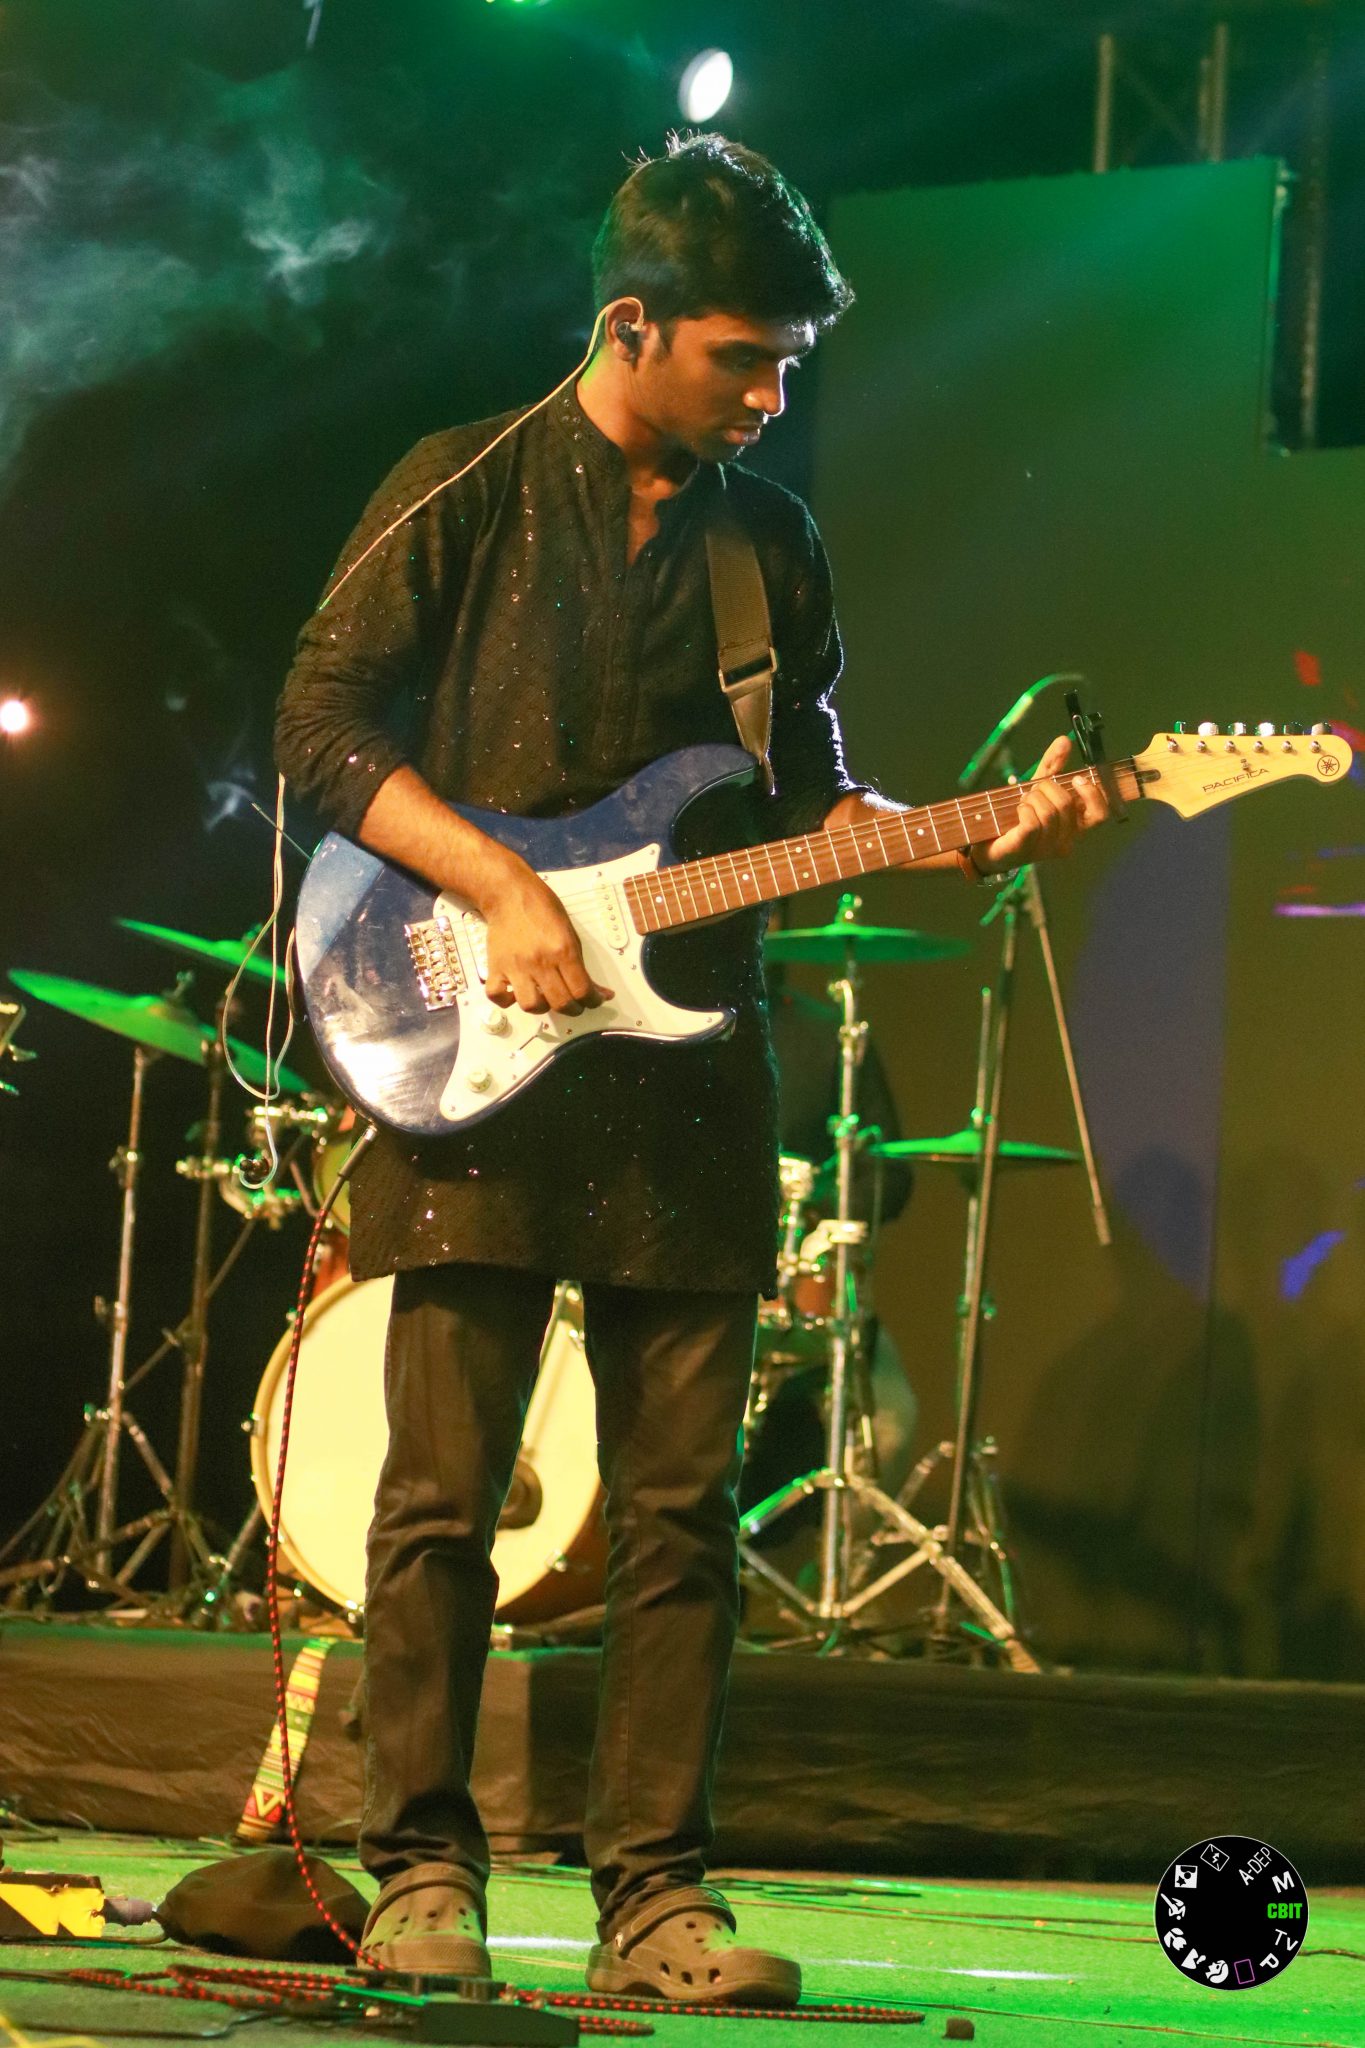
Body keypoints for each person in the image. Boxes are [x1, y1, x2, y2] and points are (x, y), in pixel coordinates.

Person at [274, 132, 1106, 2008]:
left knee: (679, 1520)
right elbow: (318, 730)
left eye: (790, 362)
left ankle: (654, 1901)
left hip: (689, 1075)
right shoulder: (463, 483)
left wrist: (955, 829)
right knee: (441, 1502)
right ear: (630, 323)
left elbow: (810, 800)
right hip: (468, 1046)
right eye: (744, 357)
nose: (772, 396)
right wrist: (498, 884)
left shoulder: (768, 546)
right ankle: (421, 1872)